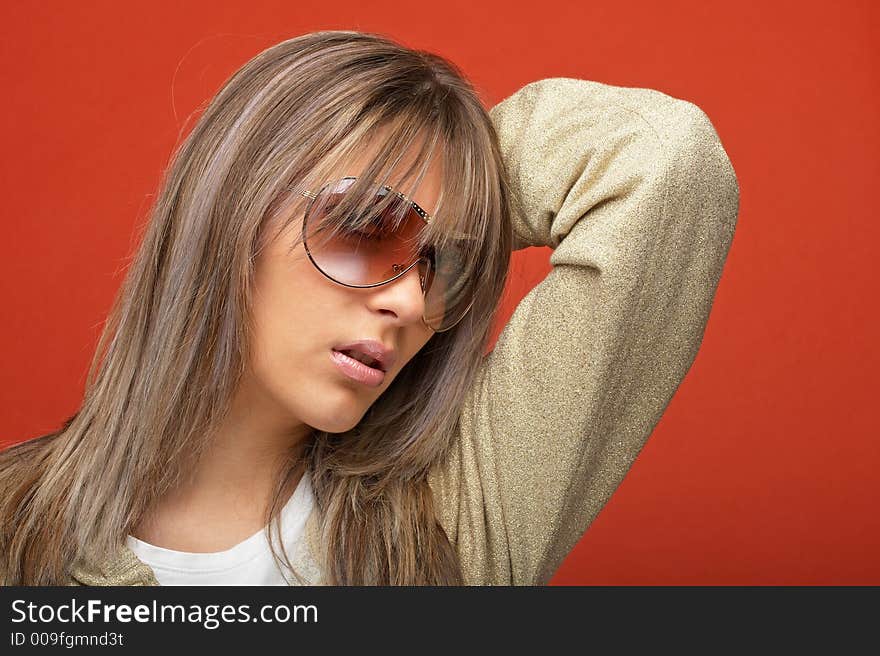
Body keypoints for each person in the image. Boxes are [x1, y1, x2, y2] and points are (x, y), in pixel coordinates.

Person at [0, 30, 739, 586]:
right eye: (366, 226)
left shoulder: (450, 522)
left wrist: (458, 172)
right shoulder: (15, 529)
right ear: (227, 212)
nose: (411, 302)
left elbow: (665, 161)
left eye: (442, 264)